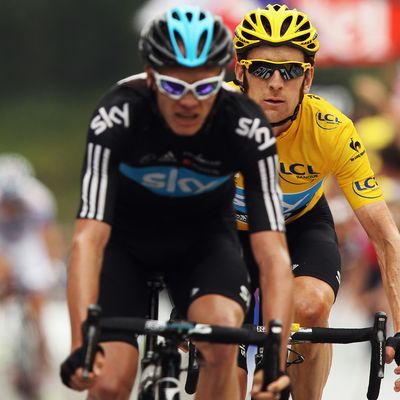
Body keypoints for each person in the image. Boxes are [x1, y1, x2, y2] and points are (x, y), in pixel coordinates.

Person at [59, 5, 294, 400]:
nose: (188, 102)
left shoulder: (245, 124)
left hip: (201, 244)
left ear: (221, 80)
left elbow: (273, 255)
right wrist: (80, 344)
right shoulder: (118, 113)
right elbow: (87, 240)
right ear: (150, 76)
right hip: (124, 246)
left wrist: (275, 361)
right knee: (109, 382)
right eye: (173, 87)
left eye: (203, 88)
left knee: (221, 340)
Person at [231, 4, 400, 400]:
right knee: (221, 342)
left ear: (307, 78)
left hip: (300, 225)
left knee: (310, 306)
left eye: (288, 71)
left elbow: (386, 236)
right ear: (240, 72)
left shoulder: (332, 130)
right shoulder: (211, 119)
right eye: (261, 69)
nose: (275, 82)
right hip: (229, 232)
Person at [0, 153, 63, 397]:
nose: (11, 206)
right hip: (5, 240)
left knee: (37, 296)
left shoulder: (38, 197)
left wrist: (54, 267)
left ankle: (42, 352)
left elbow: (48, 236)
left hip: (27, 242)